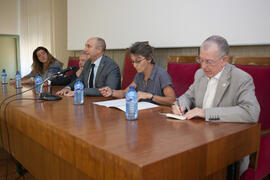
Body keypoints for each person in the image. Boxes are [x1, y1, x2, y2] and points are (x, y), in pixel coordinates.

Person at [171, 35, 260, 175]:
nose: (203, 66)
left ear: (224, 60)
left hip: (228, 150)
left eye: (209, 62)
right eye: (200, 60)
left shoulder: (241, 79)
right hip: (198, 140)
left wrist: (206, 113)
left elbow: (252, 112)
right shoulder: (200, 74)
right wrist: (179, 104)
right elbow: (188, 95)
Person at [99, 42, 175, 106]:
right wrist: (112, 92)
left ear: (149, 59)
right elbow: (125, 93)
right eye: (133, 62)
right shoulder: (139, 75)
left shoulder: (161, 74)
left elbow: (172, 100)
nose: (134, 65)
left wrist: (150, 96)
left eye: (138, 61)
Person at [56, 37, 121, 96]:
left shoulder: (111, 66)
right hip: (89, 101)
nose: (85, 49)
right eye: (85, 46)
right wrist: (67, 88)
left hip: (105, 103)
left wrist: (80, 92)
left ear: (99, 49)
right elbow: (79, 80)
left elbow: (109, 90)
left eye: (88, 46)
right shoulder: (88, 63)